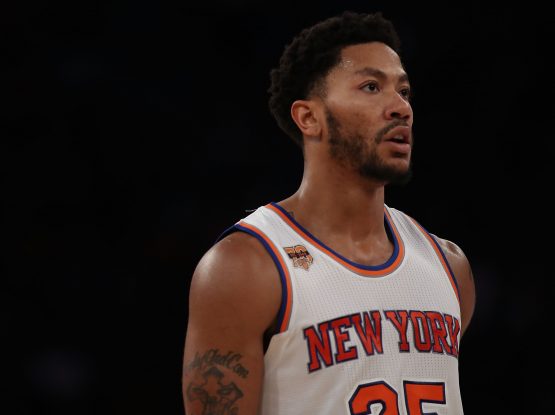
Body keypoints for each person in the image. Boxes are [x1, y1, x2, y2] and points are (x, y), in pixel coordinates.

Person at [182, 11, 475, 415]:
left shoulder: (448, 265)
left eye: (404, 91)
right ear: (309, 118)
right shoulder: (245, 268)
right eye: (371, 87)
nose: (401, 108)